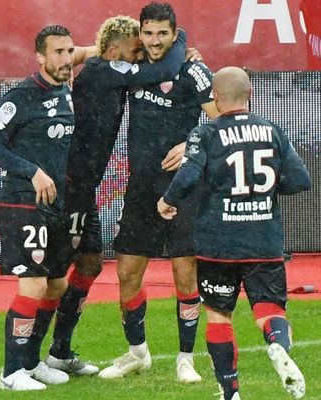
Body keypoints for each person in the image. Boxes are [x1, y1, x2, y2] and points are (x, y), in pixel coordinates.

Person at [38, 15, 189, 376]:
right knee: (55, 274)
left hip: (84, 187)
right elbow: (161, 70)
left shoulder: (101, 67)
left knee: (90, 264)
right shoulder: (105, 71)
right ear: (114, 50)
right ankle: (29, 362)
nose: (140, 55)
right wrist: (180, 43)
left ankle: (59, 352)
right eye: (135, 49)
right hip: (69, 186)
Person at [157, 66, 311, 399]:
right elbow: (301, 180)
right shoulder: (272, 130)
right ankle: (277, 345)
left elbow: (187, 176)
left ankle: (230, 392)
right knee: (270, 310)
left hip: (218, 242)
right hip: (263, 240)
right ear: (250, 94)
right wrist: (263, 191)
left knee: (219, 316)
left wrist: (167, 201)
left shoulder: (206, 133)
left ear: (214, 97)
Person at [99, 2, 219, 383]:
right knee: (127, 272)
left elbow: (223, 121)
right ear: (140, 32)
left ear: (174, 32)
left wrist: (191, 144)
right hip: (140, 190)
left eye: (162, 33)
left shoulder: (194, 70)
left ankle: (186, 359)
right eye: (148, 33)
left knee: (185, 275)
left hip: (184, 189)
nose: (154, 41)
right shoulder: (135, 68)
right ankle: (137, 353)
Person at [0, 25, 77, 391]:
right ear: (40, 56)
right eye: (58, 52)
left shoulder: (67, 90)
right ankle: (10, 373)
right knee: (34, 284)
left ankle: (31, 363)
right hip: (22, 201)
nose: (66, 59)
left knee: (57, 285)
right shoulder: (20, 96)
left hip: (55, 205)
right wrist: (32, 170)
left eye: (69, 52)